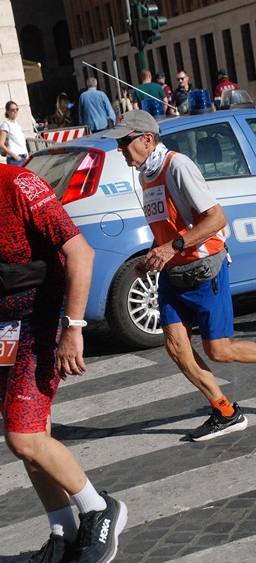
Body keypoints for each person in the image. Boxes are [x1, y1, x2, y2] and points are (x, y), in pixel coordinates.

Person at [105, 110, 256, 442]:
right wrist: (154, 255)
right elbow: (168, 226)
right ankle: (226, 411)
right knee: (176, 348)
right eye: (118, 143)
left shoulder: (177, 165)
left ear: (147, 139)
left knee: (218, 350)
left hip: (205, 268)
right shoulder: (145, 173)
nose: (120, 149)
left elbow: (216, 219)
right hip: (173, 273)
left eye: (124, 141)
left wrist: (172, 247)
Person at [0, 165, 127, 562]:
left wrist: (73, 329)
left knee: (24, 436)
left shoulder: (19, 184)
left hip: (42, 319)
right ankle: (64, 532)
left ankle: (98, 507)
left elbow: (80, 251)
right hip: (6, 328)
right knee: (28, 437)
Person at [0, 101, 28, 166]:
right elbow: (1, 144)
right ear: (7, 111)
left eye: (17, 109)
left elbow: (21, 142)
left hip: (23, 157)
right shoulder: (5, 124)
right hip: (14, 160)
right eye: (12, 110)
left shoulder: (17, 125)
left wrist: (26, 155)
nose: (15, 111)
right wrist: (15, 156)